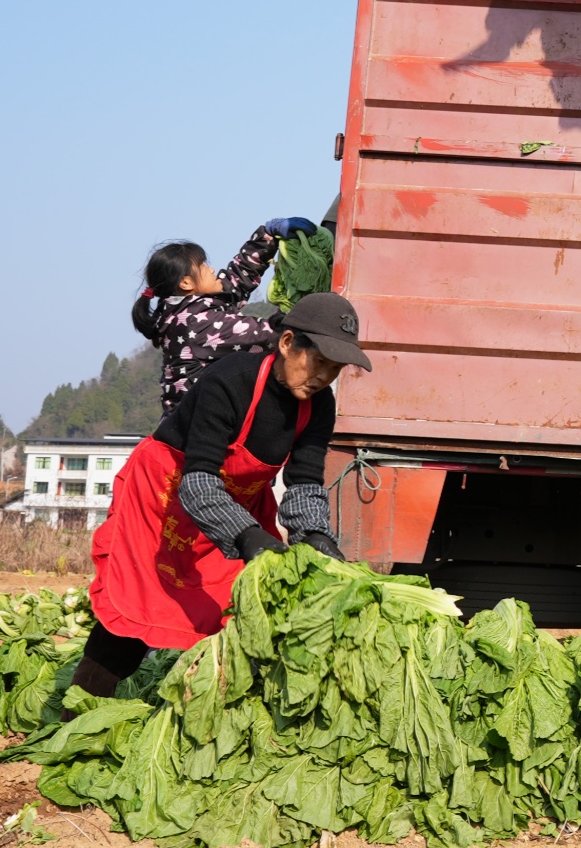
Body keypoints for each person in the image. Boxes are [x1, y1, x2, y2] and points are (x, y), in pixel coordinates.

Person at [72, 292, 373, 697]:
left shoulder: (318, 405)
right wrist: (247, 537)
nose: (323, 377)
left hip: (235, 504)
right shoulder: (231, 380)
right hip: (165, 497)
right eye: (318, 362)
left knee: (238, 607)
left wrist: (315, 536)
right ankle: (79, 711)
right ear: (287, 344)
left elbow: (304, 481)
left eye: (335, 370)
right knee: (142, 602)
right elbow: (198, 479)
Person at [132, 217, 317, 415]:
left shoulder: (191, 310)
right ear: (186, 283)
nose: (211, 269)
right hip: (192, 431)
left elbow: (236, 282)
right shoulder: (196, 324)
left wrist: (267, 235)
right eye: (203, 266)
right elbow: (269, 335)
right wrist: (311, 313)